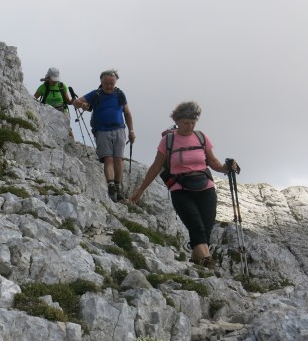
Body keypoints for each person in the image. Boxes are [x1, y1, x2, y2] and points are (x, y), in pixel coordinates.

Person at [129, 101, 238, 269]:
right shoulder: (168, 141)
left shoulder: (201, 137)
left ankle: (196, 261)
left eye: (193, 123)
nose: (190, 126)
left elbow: (213, 162)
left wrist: (227, 168)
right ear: (177, 121)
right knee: (196, 226)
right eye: (186, 123)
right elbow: (156, 166)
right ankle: (208, 265)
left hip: (206, 188)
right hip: (180, 190)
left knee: (206, 228)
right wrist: (141, 190)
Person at [72, 69, 135, 202]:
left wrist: (131, 131)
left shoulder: (119, 94)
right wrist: (82, 104)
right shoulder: (96, 94)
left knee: (118, 160)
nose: (109, 86)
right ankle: (111, 185)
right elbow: (75, 102)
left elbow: (127, 113)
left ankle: (117, 187)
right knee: (108, 159)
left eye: (111, 83)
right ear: (101, 82)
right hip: (102, 130)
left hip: (119, 129)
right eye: (106, 83)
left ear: (115, 82)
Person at [34, 67, 74, 138]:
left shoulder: (61, 86)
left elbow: (67, 101)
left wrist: (73, 100)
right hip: (48, 113)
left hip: (62, 111)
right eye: (53, 79)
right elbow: (33, 99)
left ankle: (73, 145)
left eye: (56, 79)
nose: (55, 81)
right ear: (48, 78)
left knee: (68, 130)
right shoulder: (43, 87)